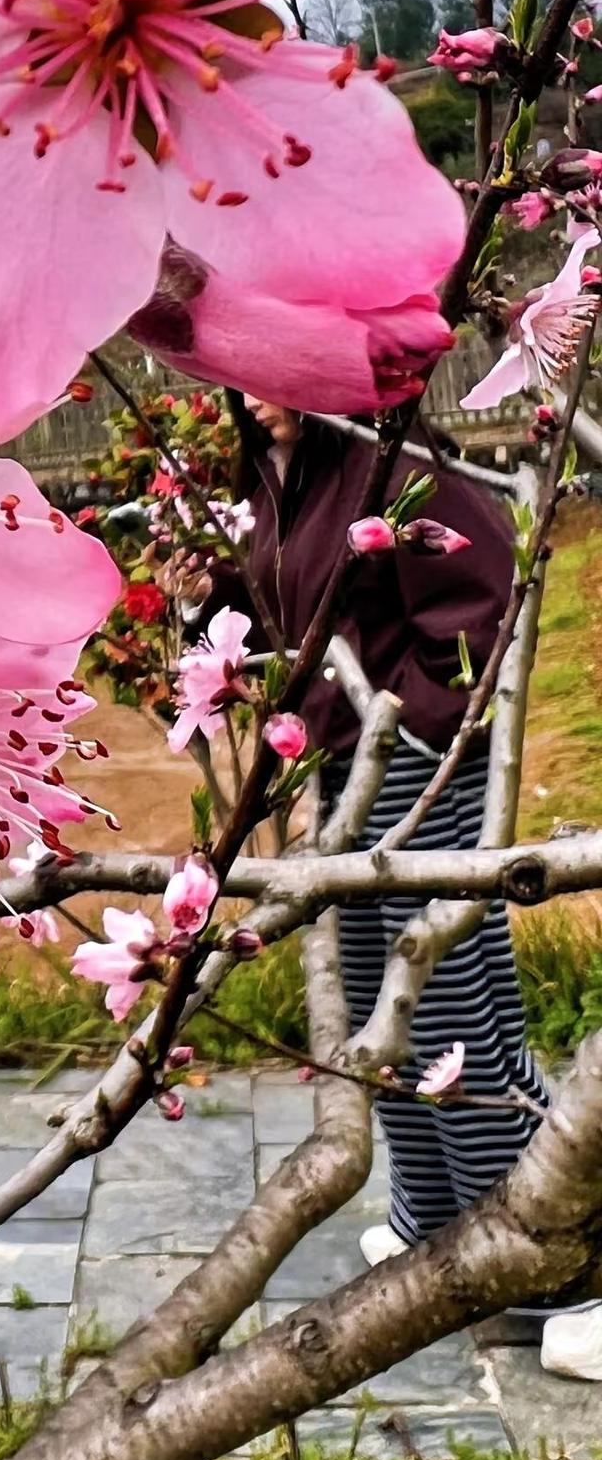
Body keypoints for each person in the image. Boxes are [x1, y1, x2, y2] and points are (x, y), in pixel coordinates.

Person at [176, 396, 593, 1376]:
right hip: (345, 765)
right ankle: (435, 1215)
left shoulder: (384, 453)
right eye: (242, 374)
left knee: (446, 1003)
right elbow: (293, 589)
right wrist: (209, 595)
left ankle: (556, 1275)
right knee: (380, 1004)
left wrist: (407, 716)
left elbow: (478, 585)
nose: (254, 392)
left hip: (414, 758)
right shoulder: (274, 471)